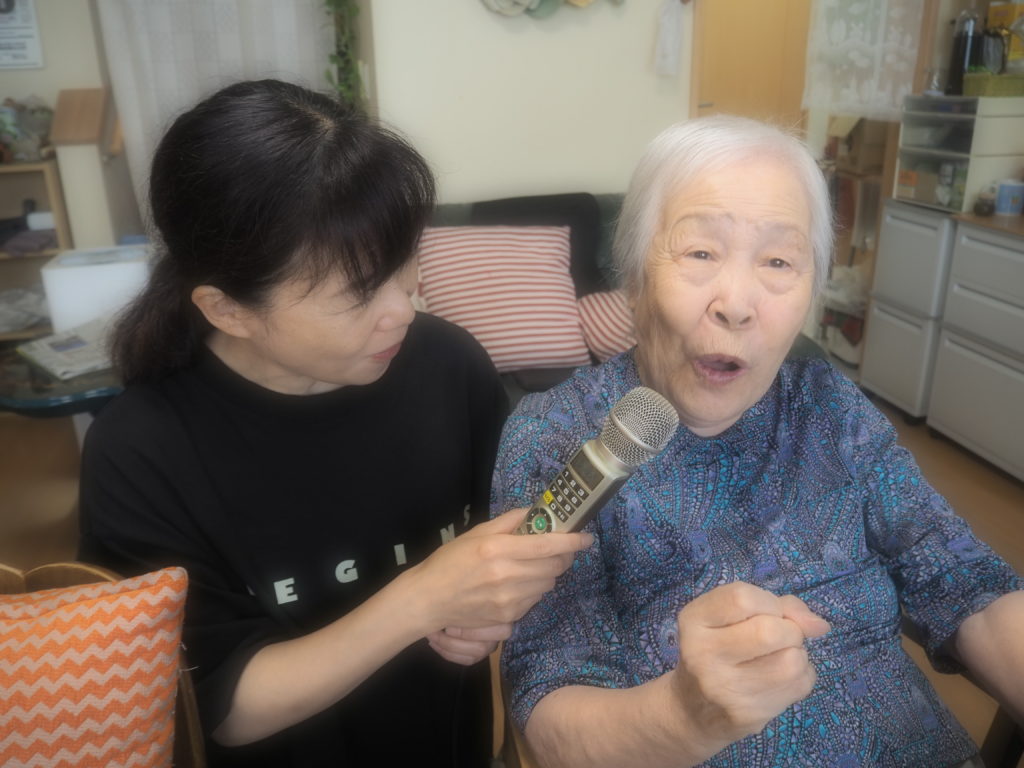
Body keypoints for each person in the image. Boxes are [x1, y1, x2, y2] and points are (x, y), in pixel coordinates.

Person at [77, 79, 592, 768]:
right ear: (228, 310)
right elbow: (223, 709)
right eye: (358, 293)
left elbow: (499, 551)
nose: (403, 310)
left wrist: (492, 609)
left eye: (404, 264)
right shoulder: (141, 452)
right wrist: (420, 599)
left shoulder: (450, 366)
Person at [491, 115, 1024, 768]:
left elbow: (966, 582)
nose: (737, 304)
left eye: (778, 261)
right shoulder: (557, 438)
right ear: (633, 277)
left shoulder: (827, 405)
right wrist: (683, 716)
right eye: (700, 253)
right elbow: (548, 713)